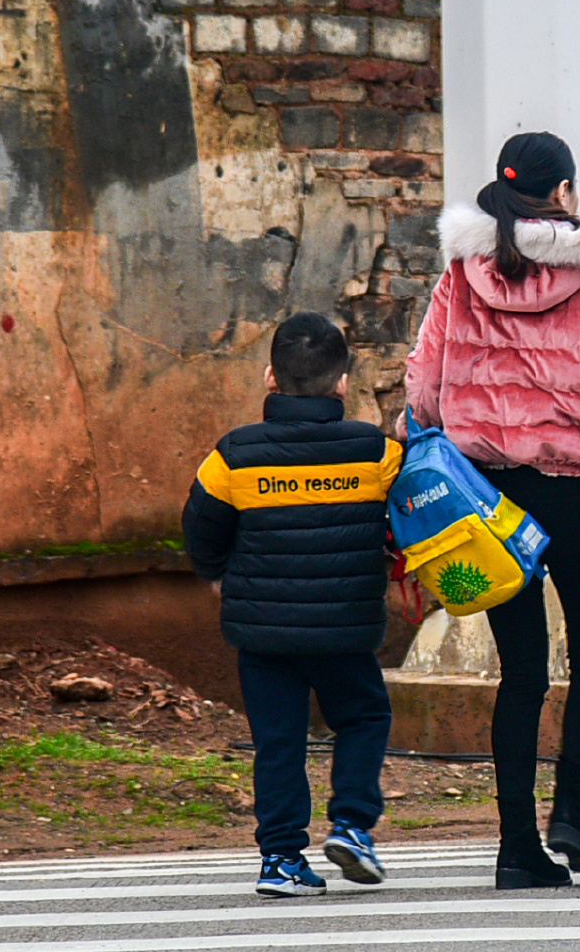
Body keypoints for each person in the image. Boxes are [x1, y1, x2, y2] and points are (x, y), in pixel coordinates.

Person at [404, 131, 580, 890]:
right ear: (564, 193)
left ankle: (515, 848)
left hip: (484, 499)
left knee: (522, 672)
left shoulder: (461, 272)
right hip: (571, 492)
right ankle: (570, 811)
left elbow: (425, 391)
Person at [183, 312, 402, 897]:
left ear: (269, 379)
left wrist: (215, 575)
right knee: (363, 718)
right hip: (345, 629)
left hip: (264, 633)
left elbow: (200, 530)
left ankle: (280, 860)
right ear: (342, 384)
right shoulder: (377, 453)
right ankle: (353, 825)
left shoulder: (232, 456)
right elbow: (400, 529)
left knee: (277, 742)